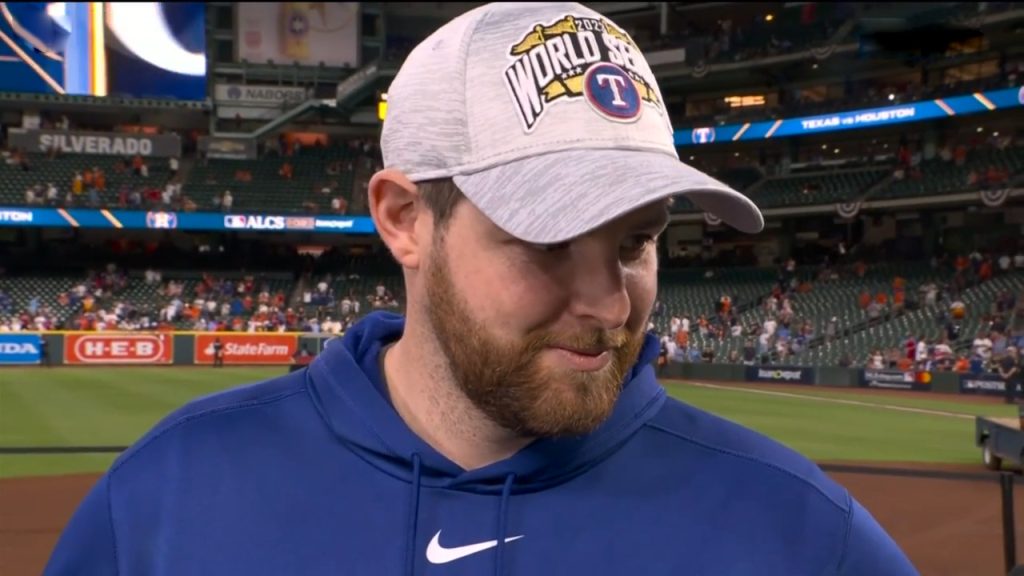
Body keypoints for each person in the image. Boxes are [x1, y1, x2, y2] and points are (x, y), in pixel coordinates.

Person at [44, 3, 916, 575]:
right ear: (405, 219)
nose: (611, 306)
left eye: (639, 241)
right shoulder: (168, 495)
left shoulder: (804, 536)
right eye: (546, 238)